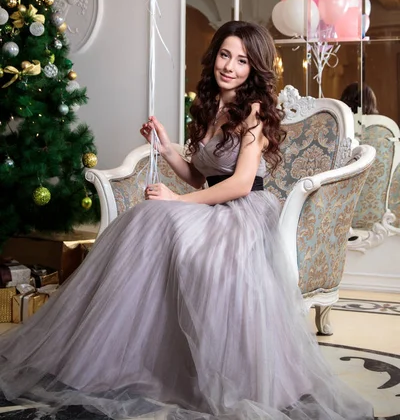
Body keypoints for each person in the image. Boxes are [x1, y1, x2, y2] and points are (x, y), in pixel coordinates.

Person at [0, 21, 373, 420]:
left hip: (242, 212)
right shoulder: (213, 107)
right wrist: (163, 146)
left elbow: (242, 183)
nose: (229, 66)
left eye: (242, 60)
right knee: (147, 219)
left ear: (255, 68)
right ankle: (121, 351)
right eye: (225, 55)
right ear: (214, 56)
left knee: (162, 217)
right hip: (211, 203)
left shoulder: (253, 113)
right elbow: (201, 175)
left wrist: (179, 201)